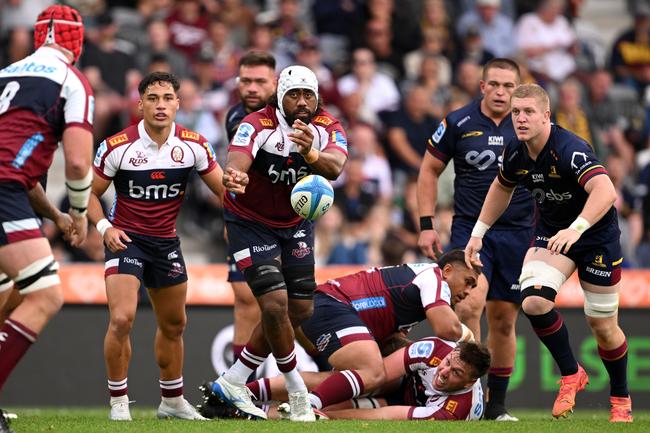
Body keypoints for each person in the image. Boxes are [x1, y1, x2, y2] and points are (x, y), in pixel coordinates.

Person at [465, 83, 633, 423]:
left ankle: (620, 398)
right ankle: (571, 374)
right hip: (553, 235)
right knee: (534, 302)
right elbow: (501, 186)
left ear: (546, 116)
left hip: (595, 236)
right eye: (516, 112)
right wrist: (478, 233)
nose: (521, 119)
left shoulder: (570, 148)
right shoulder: (516, 151)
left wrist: (578, 227)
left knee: (602, 325)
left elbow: (606, 189)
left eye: (529, 112)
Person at [211, 64, 348, 422]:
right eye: (294, 95)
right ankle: (299, 392)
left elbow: (336, 167)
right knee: (274, 304)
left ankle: (233, 380)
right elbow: (237, 157)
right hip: (249, 222)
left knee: (300, 311)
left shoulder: (328, 126)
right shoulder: (257, 123)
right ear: (280, 96)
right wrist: (236, 173)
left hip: (296, 223)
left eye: (309, 95)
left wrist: (313, 155)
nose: (302, 102)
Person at [88, 72, 225, 421]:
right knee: (121, 319)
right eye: (153, 98)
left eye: (167, 98)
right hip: (126, 241)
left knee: (174, 325)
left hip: (166, 244)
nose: (160, 105)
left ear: (178, 104)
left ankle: (172, 401)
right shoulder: (117, 146)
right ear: (140, 104)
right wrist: (104, 226)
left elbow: (225, 192)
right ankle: (119, 403)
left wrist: (239, 190)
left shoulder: (194, 144)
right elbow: (87, 194)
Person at [417, 58, 531, 421]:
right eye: (494, 84)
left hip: (517, 232)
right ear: (481, 87)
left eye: (508, 86)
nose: (500, 92)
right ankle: (471, 395)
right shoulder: (458, 121)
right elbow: (429, 169)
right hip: (470, 229)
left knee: (503, 320)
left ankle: (495, 406)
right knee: (467, 308)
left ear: (518, 89)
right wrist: (426, 224)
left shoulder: (530, 124)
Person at [0, 6, 93, 433]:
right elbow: (76, 163)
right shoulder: (72, 81)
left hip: (11, 187)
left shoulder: (7, 73)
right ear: (78, 40)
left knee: (8, 292)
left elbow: (29, 175)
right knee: (46, 295)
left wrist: (55, 215)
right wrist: (78, 213)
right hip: (3, 190)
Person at [283, 249, 478, 412]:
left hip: (330, 308)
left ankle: (259, 399)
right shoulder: (434, 278)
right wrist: (472, 343)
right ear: (448, 270)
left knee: (353, 378)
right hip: (334, 306)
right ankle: (307, 406)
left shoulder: (416, 296)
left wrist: (413, 355)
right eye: (468, 281)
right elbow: (447, 328)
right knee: (373, 371)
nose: (469, 291)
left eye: (473, 286)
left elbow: (391, 343)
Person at [202, 337, 490, 421]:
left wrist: (324, 416)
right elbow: (378, 374)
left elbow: (390, 416)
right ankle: (240, 391)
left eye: (456, 374)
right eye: (449, 364)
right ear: (450, 353)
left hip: (403, 406)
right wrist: (319, 399)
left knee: (336, 411)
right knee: (339, 380)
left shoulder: (455, 411)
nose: (444, 373)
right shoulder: (435, 350)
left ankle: (250, 416)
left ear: (468, 382)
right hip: (398, 383)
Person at [223, 51, 277, 364]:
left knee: (288, 307)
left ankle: (322, 373)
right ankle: (240, 389)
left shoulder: (289, 120)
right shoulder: (233, 117)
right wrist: (226, 219)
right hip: (244, 218)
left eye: (260, 81)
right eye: (246, 81)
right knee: (245, 299)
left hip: (283, 222)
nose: (252, 88)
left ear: (275, 82)